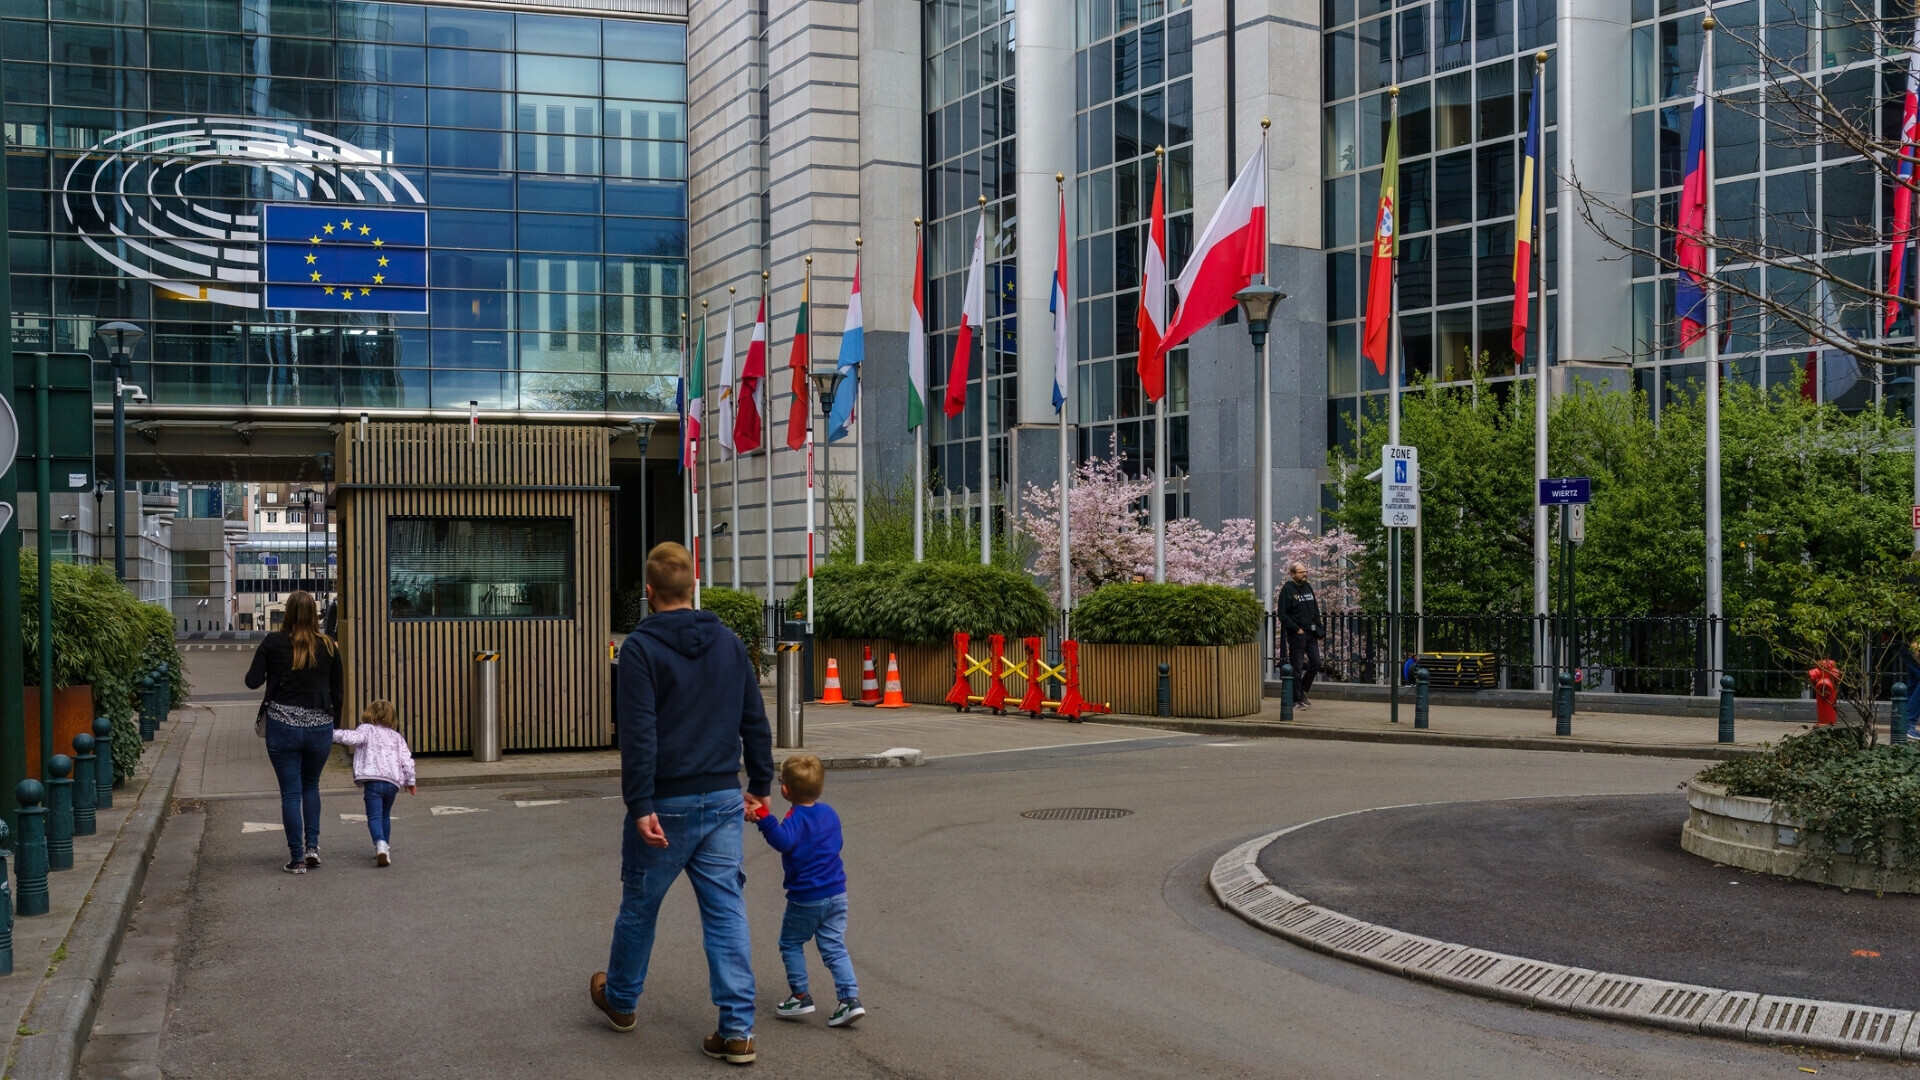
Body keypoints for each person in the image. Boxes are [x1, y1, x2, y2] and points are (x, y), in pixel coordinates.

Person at [590, 542, 775, 1067]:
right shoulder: (730, 644)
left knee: (640, 908)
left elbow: (639, 734)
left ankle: (622, 1002)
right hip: (721, 797)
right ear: (693, 587)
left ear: (648, 593)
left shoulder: (640, 652)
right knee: (725, 911)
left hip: (665, 800)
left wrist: (640, 801)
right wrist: (760, 782)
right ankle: (737, 1030)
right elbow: (754, 720)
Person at [751, 754, 865, 1029]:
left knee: (790, 943)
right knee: (835, 947)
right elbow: (837, 841)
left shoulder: (795, 819)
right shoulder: (829, 813)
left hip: (805, 897)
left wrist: (764, 818)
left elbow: (782, 841)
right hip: (837, 893)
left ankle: (800, 995)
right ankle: (849, 999)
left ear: (785, 790)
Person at [244, 590, 343, 874]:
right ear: (316, 614)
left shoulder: (273, 642)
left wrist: (271, 669)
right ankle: (312, 847)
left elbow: (252, 681)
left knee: (290, 793)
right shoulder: (328, 645)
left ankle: (297, 859)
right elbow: (338, 690)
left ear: (287, 613)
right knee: (311, 785)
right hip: (319, 727)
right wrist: (333, 727)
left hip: (282, 726)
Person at [332, 699, 417, 867]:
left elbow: (350, 738)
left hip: (373, 781)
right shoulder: (397, 737)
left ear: (369, 713)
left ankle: (380, 844)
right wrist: (410, 780)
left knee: (374, 816)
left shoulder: (366, 729)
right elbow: (407, 760)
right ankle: (386, 845)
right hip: (392, 783)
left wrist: (329, 732)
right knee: (385, 815)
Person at [1277, 562, 1324, 707]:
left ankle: (1301, 690)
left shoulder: (1308, 587)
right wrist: (1296, 629)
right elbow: (1282, 614)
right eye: (1301, 572)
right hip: (1297, 634)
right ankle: (1296, 699)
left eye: (1305, 571)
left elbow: (1315, 609)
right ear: (1293, 574)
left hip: (1311, 633)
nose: (1305, 574)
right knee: (1296, 667)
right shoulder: (1288, 590)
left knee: (1316, 663)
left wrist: (1318, 628)